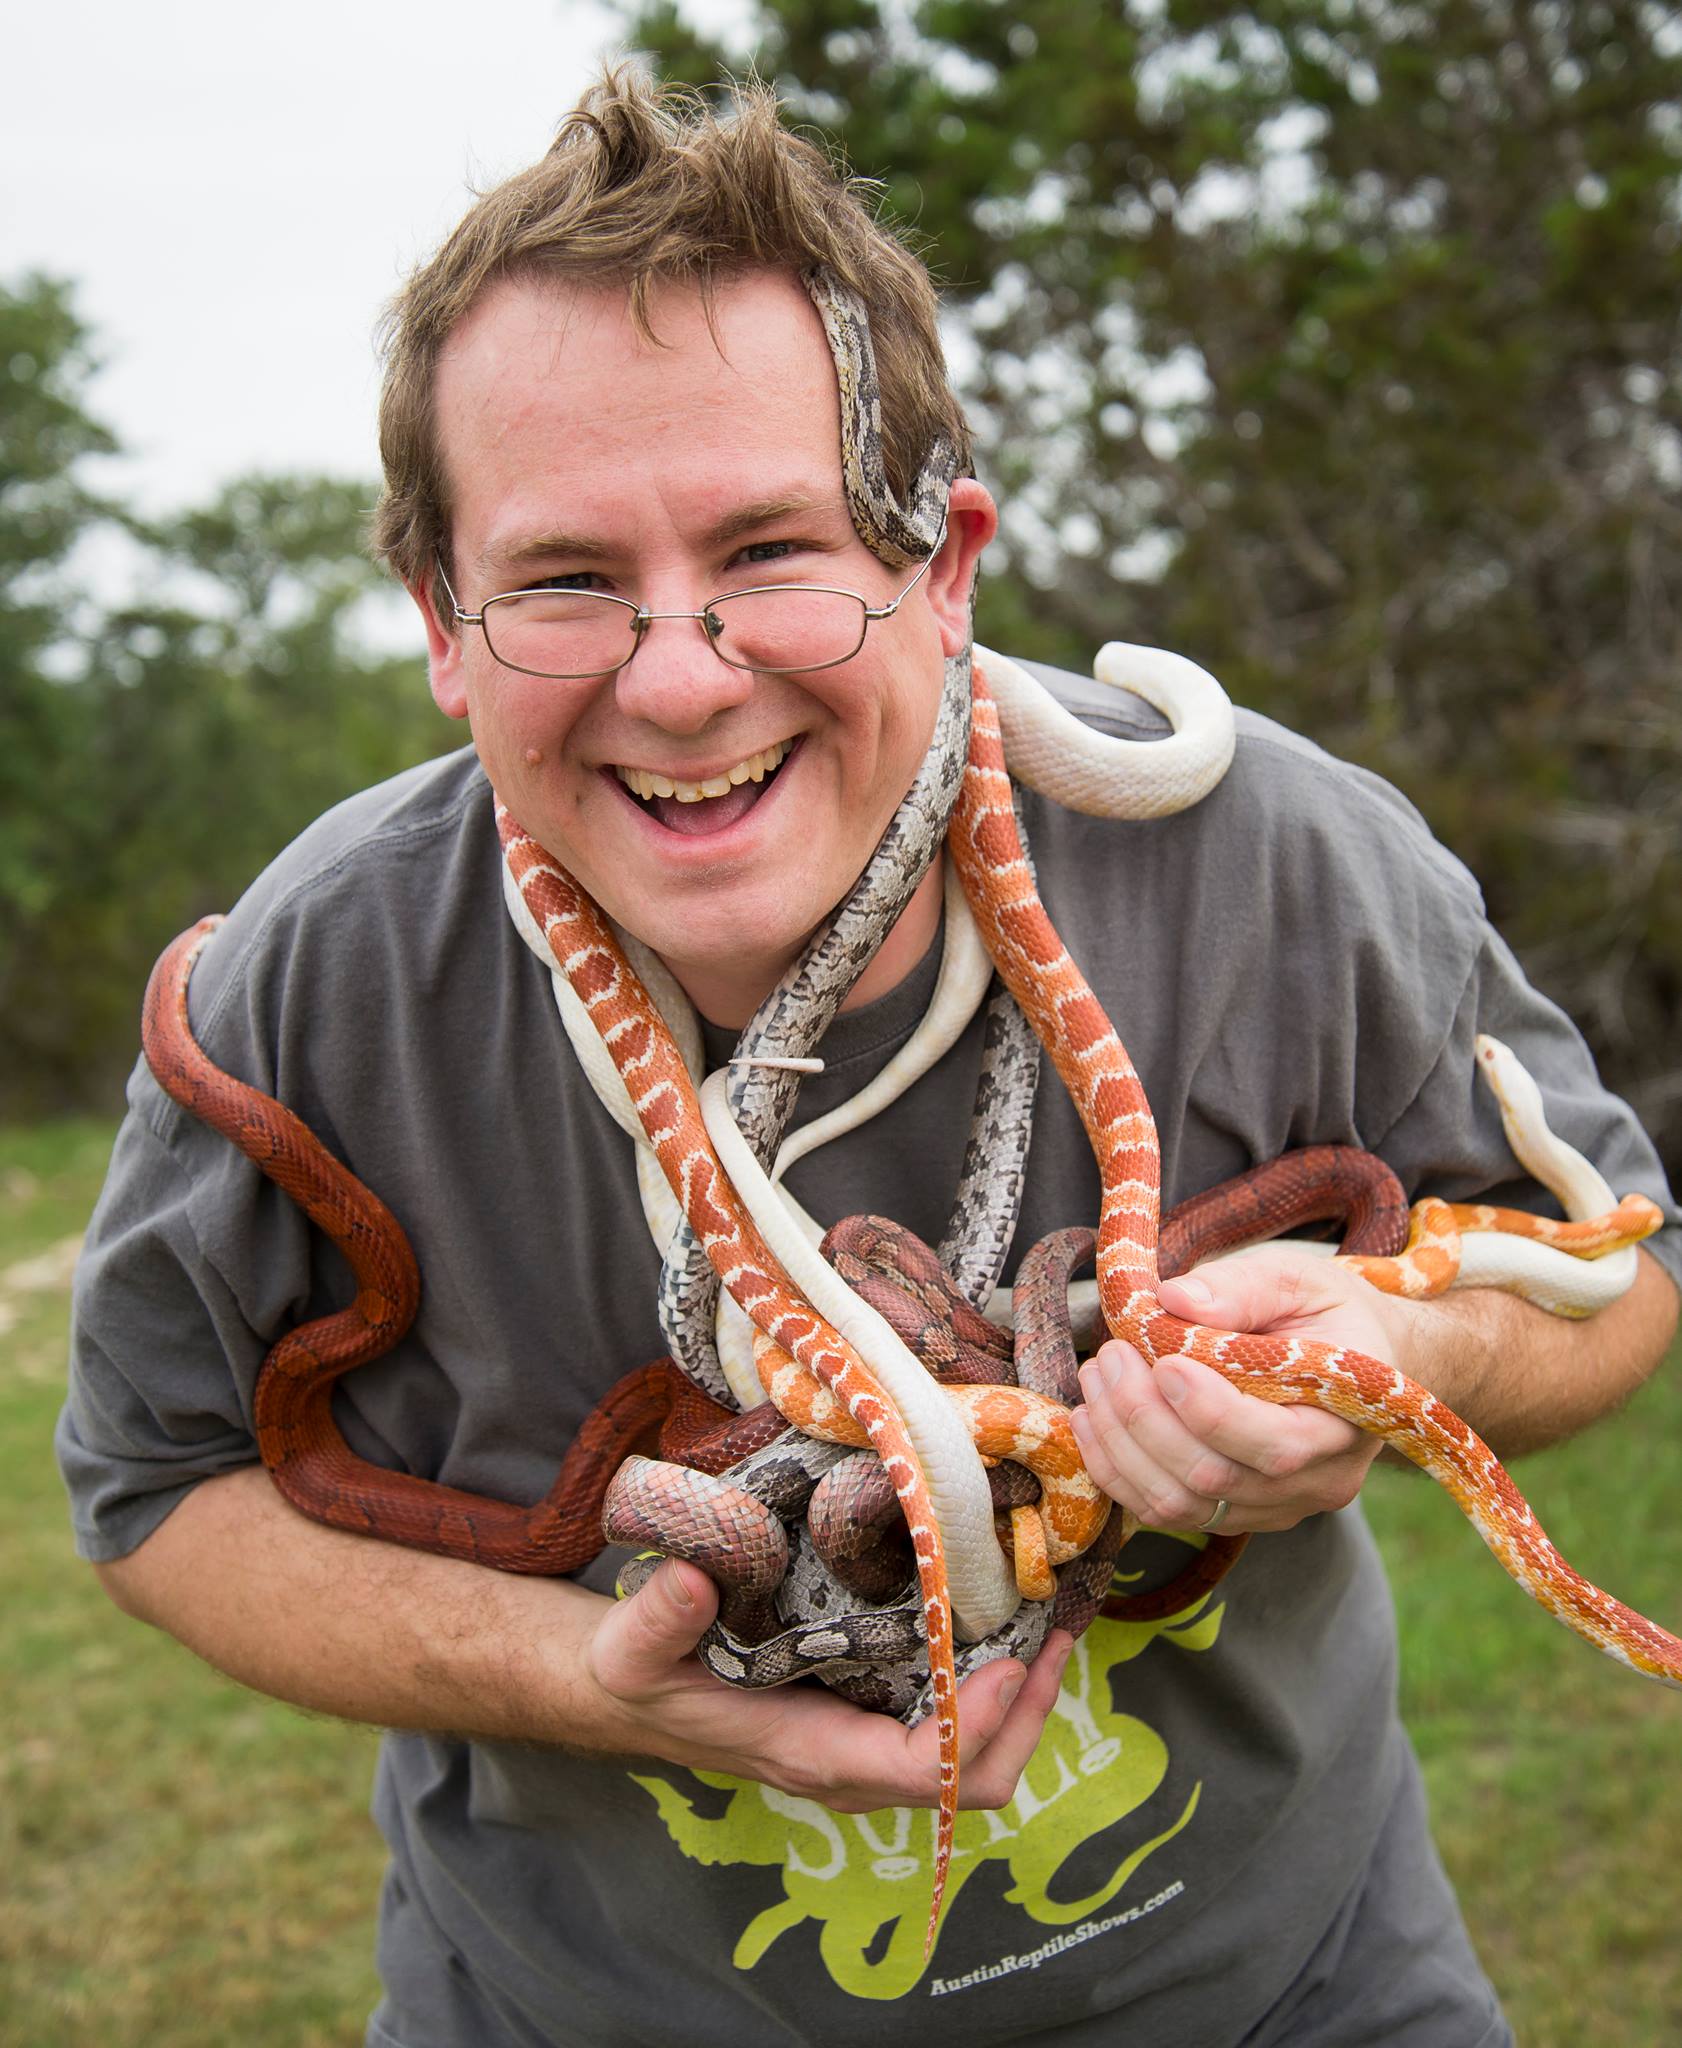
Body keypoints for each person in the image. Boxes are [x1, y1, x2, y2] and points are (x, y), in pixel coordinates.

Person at [61, 68, 1678, 2048]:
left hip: (1294, 1993)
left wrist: (1402, 1357)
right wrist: (589, 1681)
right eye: (567, 580)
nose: (677, 675)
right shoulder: (311, 983)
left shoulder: (1275, 863)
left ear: (945, 559)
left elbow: (1614, 1263)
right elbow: (156, 1487)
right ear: (440, 619)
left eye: (772, 551)